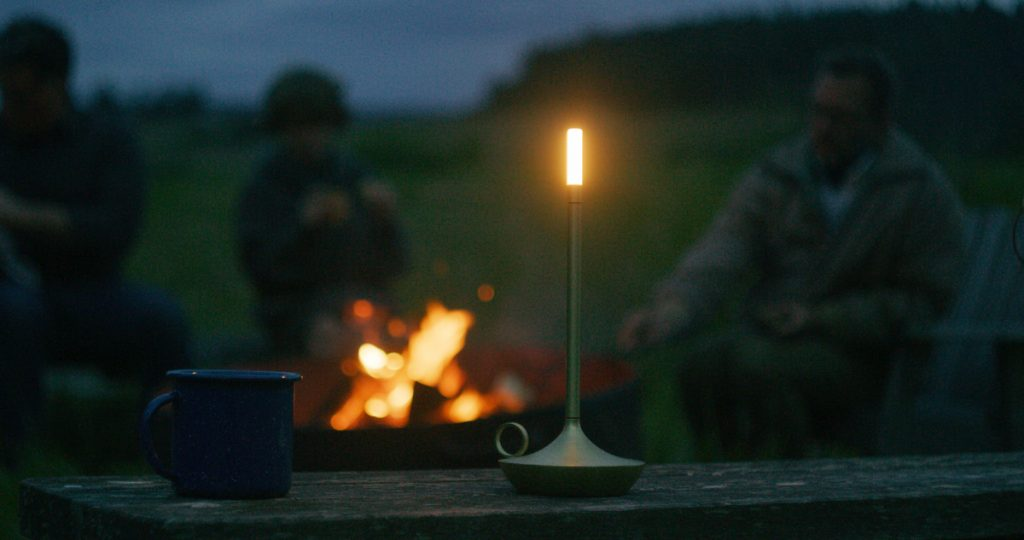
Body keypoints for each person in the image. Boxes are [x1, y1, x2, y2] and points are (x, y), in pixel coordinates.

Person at [618, 49, 966, 459]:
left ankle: (787, 492)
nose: (822, 127)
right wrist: (672, 310)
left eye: (840, 117)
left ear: (879, 121)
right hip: (776, 338)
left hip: (866, 358)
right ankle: (726, 480)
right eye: (817, 112)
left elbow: (925, 300)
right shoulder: (781, 174)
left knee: (755, 366)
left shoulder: (917, 189)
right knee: (702, 367)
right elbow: (723, 249)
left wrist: (823, 319)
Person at [0, 16, 191, 465]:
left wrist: (20, 216)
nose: (13, 108)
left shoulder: (105, 140)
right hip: (12, 294)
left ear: (59, 84)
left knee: (162, 318)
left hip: (92, 294)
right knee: (13, 313)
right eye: (7, 95)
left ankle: (168, 449)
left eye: (25, 96)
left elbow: (112, 231)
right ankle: (20, 457)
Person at [238, 67, 406, 360]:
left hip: (364, 302)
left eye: (319, 124)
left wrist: (386, 219)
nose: (311, 136)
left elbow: (395, 264)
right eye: (300, 126)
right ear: (282, 127)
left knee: (405, 340)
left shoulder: (355, 176)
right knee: (330, 340)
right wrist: (301, 226)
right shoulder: (267, 186)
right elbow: (263, 270)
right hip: (295, 310)